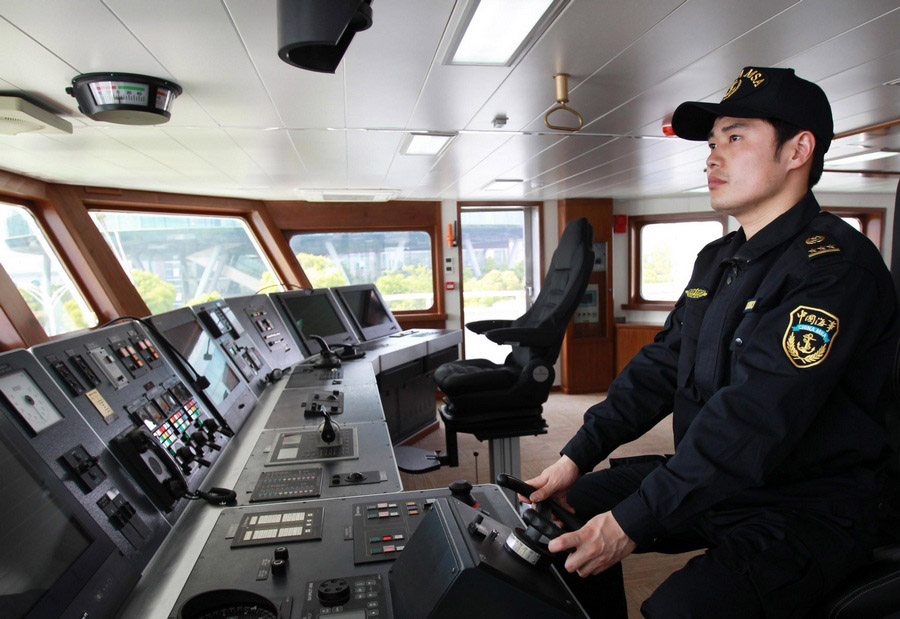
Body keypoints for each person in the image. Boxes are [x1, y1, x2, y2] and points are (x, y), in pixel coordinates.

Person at [523, 66, 899, 618]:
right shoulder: (720, 260)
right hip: (725, 482)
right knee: (554, 520)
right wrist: (577, 455)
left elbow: (753, 417)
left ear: (798, 151)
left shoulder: (835, 270)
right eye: (713, 141)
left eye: (736, 137)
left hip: (807, 506)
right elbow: (660, 366)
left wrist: (631, 523)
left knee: (676, 610)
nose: (712, 156)